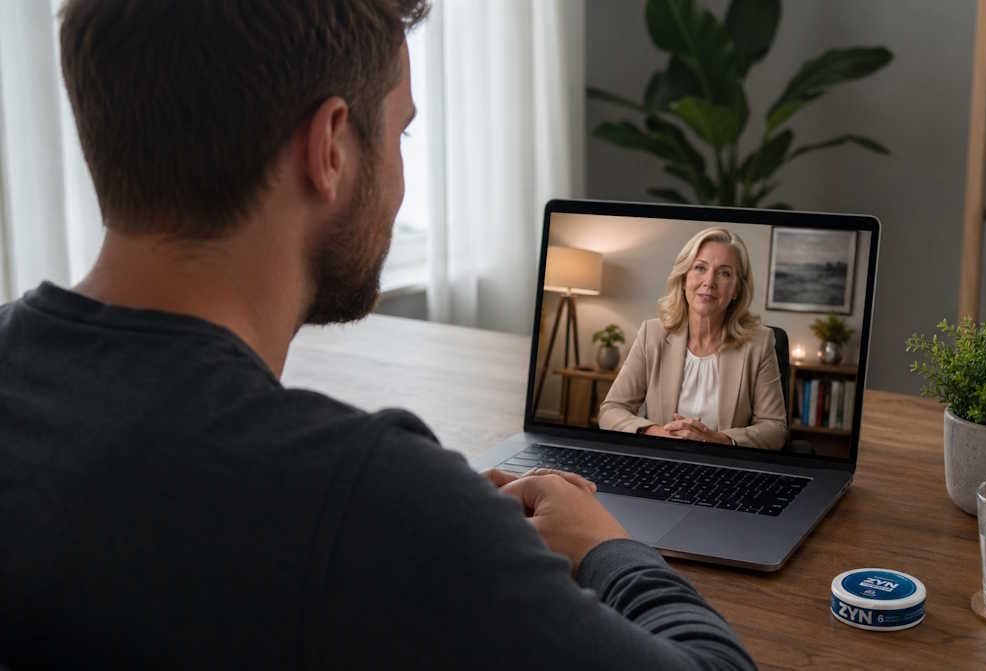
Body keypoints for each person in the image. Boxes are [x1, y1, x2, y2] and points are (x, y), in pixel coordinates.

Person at [0, 2, 755, 669]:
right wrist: (603, 545)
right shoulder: (369, 501)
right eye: (401, 132)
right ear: (330, 146)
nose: (398, 176)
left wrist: (443, 527)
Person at [599, 228, 787, 451]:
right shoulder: (653, 333)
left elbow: (775, 429)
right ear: (684, 277)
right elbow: (610, 410)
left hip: (724, 467)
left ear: (737, 288)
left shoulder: (760, 342)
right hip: (662, 459)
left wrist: (719, 440)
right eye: (700, 268)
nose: (709, 282)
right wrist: (655, 433)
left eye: (724, 273)